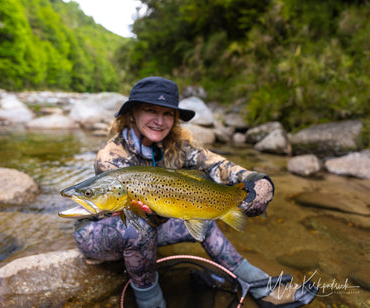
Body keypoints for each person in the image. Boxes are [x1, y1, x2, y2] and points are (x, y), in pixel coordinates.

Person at [73, 76, 317, 308]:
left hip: (153, 223)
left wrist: (256, 180)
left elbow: (215, 164)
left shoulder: (176, 145)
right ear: (132, 113)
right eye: (151, 110)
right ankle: (151, 302)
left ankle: (262, 286)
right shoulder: (110, 156)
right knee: (138, 227)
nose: (160, 120)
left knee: (205, 219)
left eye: (168, 113)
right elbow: (136, 218)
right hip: (102, 233)